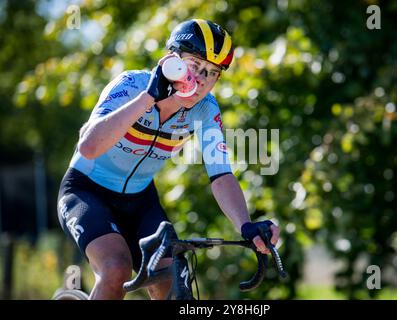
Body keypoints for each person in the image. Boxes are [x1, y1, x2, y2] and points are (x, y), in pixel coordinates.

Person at [57, 18, 280, 300]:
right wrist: (149, 98)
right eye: (194, 65)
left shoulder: (205, 109)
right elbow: (88, 147)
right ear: (171, 60)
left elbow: (221, 175)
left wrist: (246, 226)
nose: (200, 81)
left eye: (211, 73)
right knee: (116, 269)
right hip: (87, 192)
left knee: (172, 279)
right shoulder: (131, 84)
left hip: (141, 200)